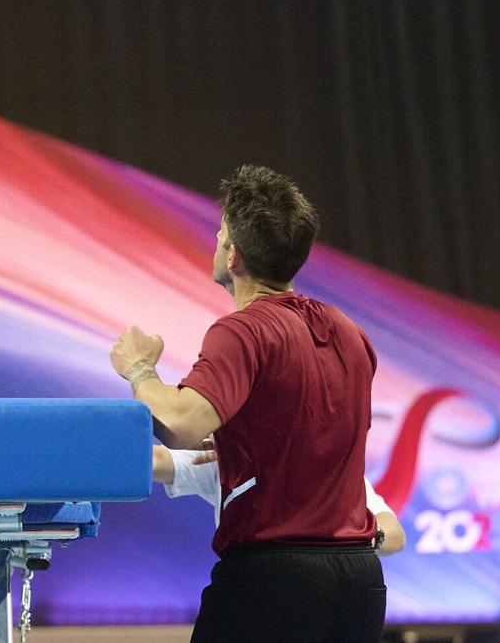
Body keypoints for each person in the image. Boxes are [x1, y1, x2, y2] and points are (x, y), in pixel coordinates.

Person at [109, 166, 385, 642]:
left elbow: (179, 423)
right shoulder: (350, 332)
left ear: (233, 255)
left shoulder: (242, 330)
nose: (216, 244)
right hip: (359, 584)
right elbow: (309, 422)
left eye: (219, 235)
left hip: (275, 584)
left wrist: (140, 370)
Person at [152, 444, 406, 554]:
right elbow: (156, 461)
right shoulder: (228, 459)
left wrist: (345, 535)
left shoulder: (330, 470)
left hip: (318, 604)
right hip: (249, 601)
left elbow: (394, 536)